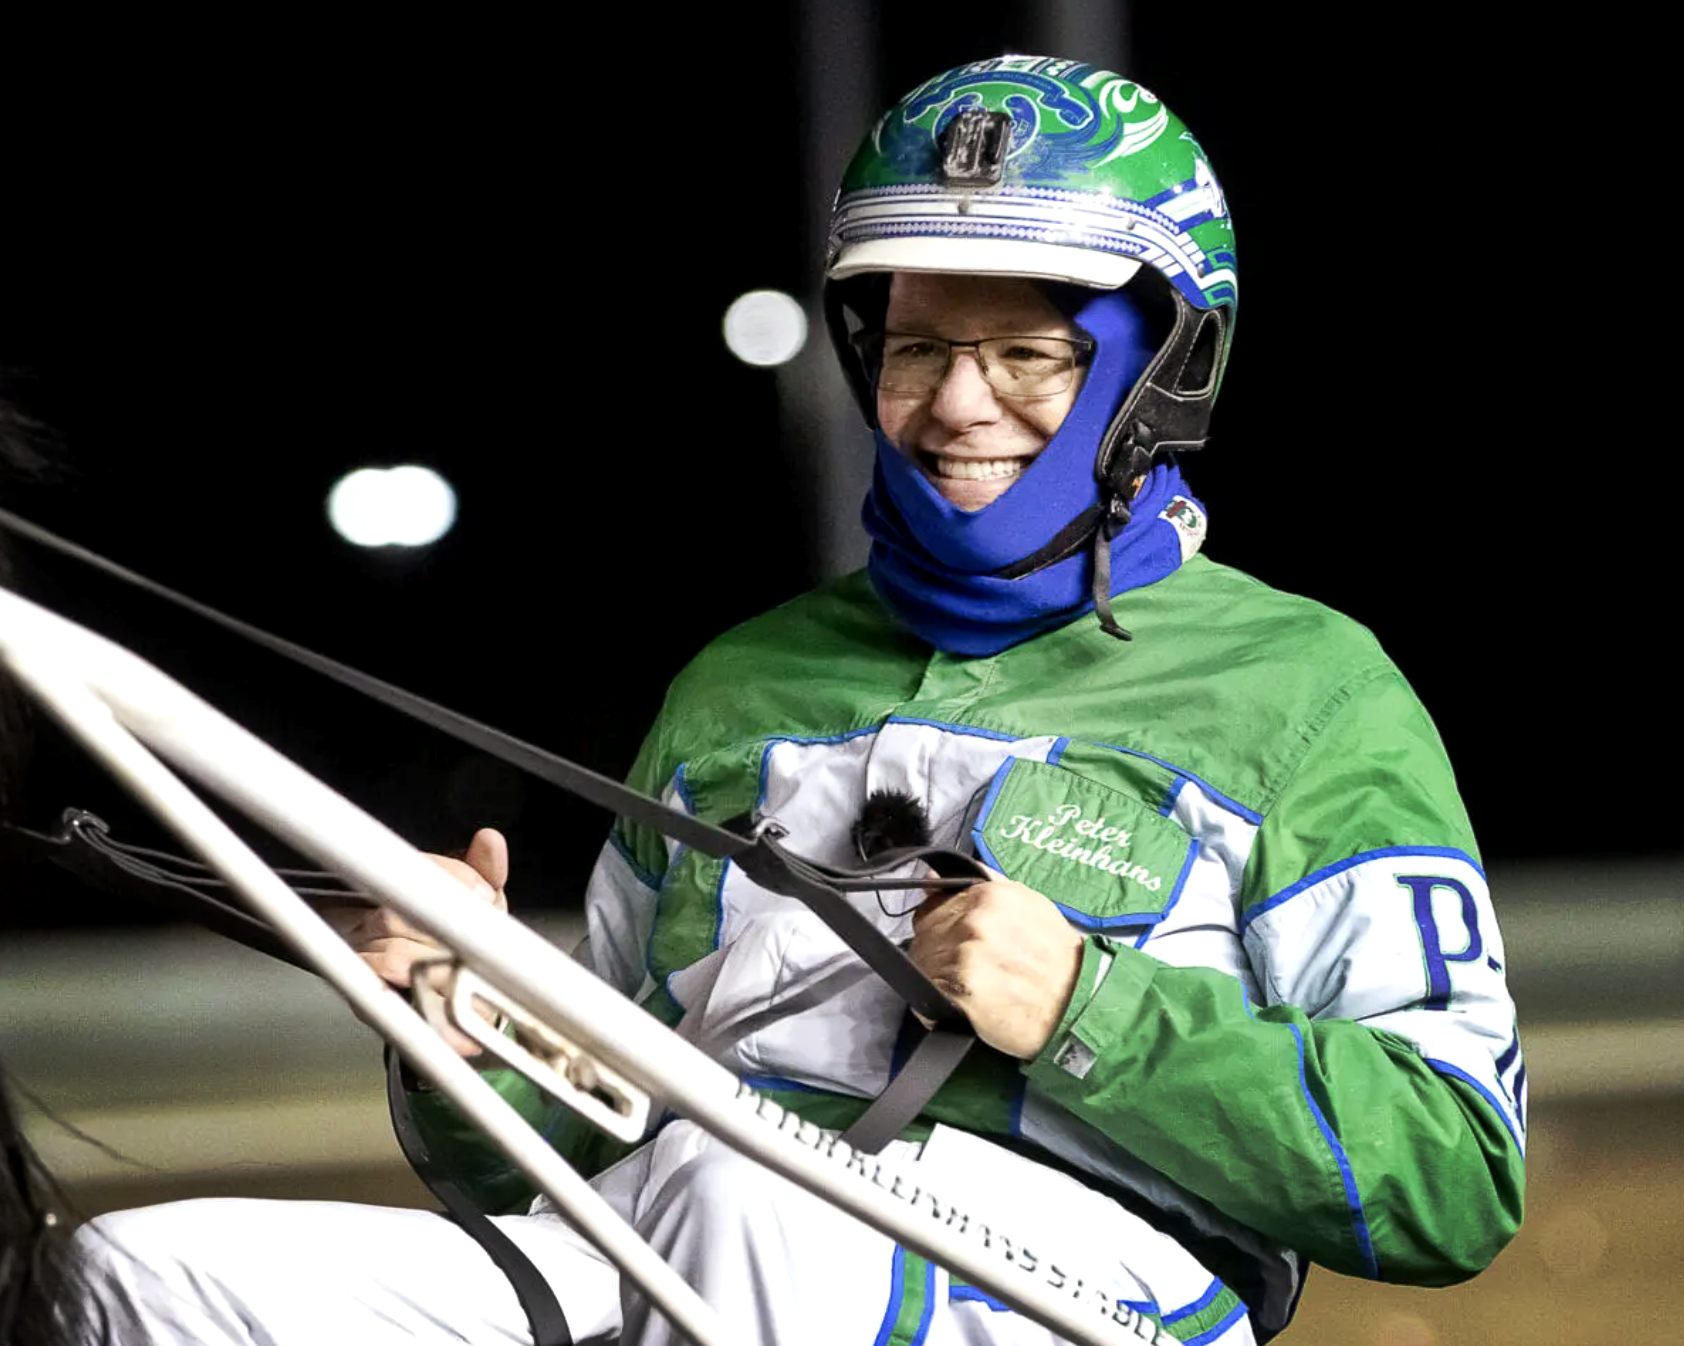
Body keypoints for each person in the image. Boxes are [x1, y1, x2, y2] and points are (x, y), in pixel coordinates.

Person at [69, 56, 1525, 1345]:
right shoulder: (739, 682)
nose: (958, 405)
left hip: (1076, 1284)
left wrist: (1089, 1007)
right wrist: (468, 1026)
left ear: (1162, 375)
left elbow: (1454, 1176)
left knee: (745, 1200)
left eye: (1031, 355)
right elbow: (568, 1150)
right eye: (916, 348)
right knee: (133, 1275)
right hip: (678, 1228)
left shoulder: (1313, 691)